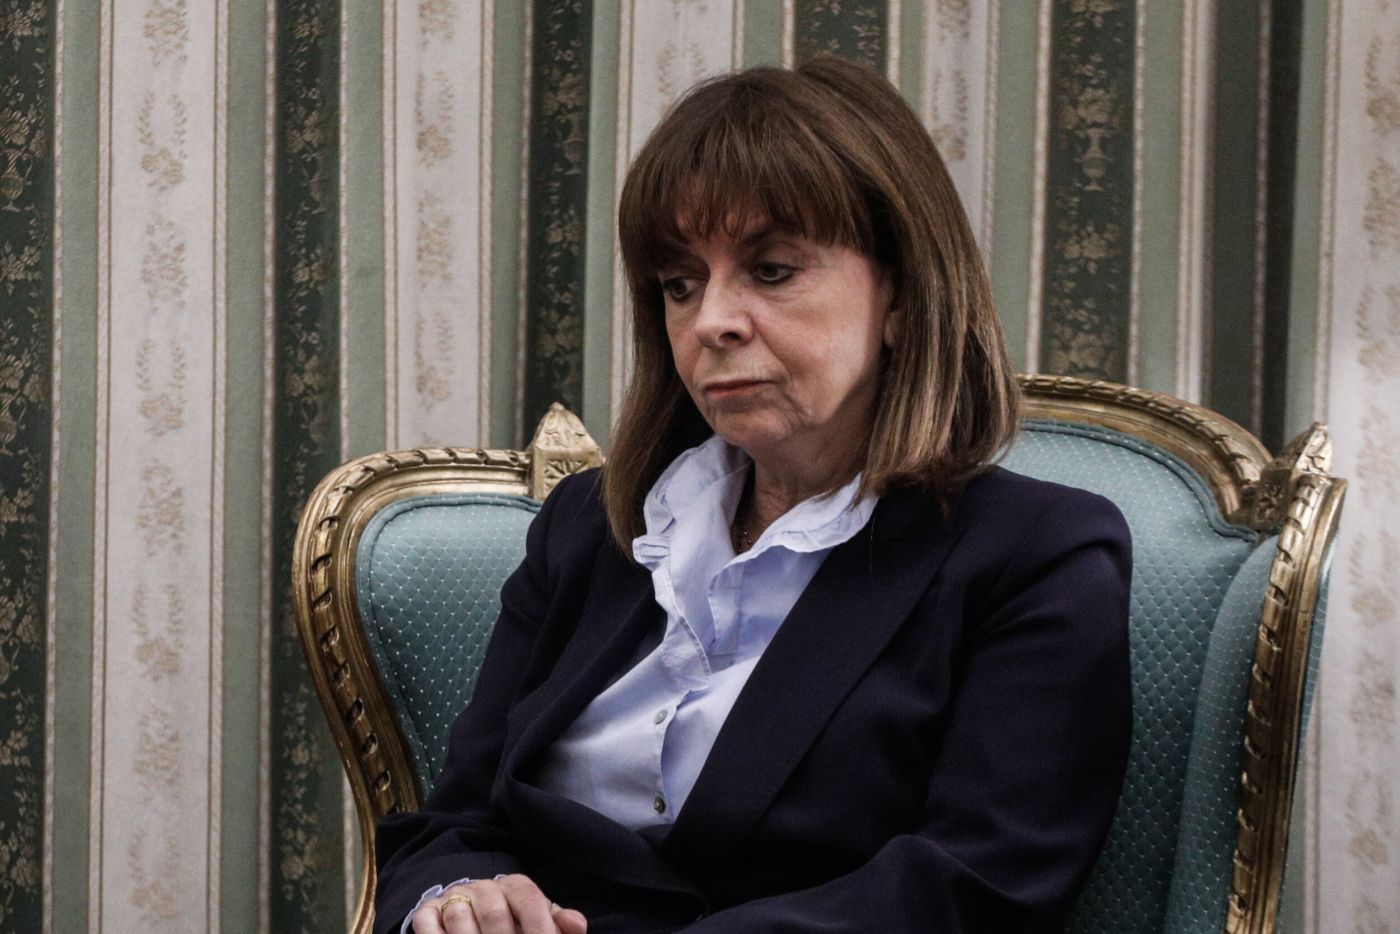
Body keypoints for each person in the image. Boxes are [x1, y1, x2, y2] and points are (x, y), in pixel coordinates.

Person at [375, 55, 1132, 934]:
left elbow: (976, 888)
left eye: (771, 270)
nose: (710, 322)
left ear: (900, 295)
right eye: (680, 284)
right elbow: (456, 824)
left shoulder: (1037, 555)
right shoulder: (591, 526)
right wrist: (460, 897)